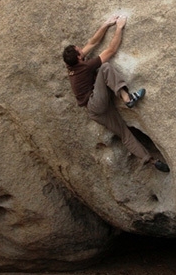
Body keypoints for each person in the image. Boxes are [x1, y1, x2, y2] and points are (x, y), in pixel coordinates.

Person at [63, 14, 170, 173]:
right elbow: (111, 50)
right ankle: (128, 98)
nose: (82, 49)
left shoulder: (71, 66)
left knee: (124, 134)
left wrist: (106, 24)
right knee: (105, 68)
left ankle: (151, 160)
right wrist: (119, 27)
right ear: (79, 57)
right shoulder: (84, 67)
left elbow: (92, 42)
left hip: (94, 112)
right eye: (80, 50)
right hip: (96, 101)